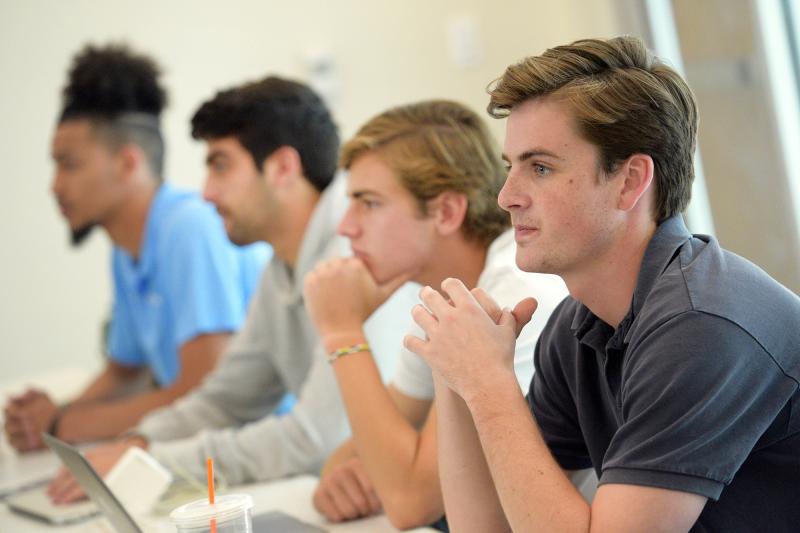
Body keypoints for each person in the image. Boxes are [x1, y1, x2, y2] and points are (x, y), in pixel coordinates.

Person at [406, 35, 800, 532]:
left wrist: (488, 385)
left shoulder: (702, 325)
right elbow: (488, 529)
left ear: (631, 181)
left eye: (541, 167)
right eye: (512, 168)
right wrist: (455, 372)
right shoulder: (579, 325)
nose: (506, 196)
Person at [47, 75, 414, 504]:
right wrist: (141, 444)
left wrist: (155, 464)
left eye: (220, 165)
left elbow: (316, 438)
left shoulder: (357, 254)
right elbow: (227, 399)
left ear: (282, 168)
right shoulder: (280, 267)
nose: (206, 192)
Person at [303, 100, 569, 529]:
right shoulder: (444, 298)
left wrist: (341, 332)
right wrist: (349, 477)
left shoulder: (508, 296)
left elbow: (410, 502)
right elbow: (352, 457)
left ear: (446, 212)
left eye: (368, 203)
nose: (346, 227)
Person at [3, 45, 267, 451]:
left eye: (69, 164)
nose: (55, 185)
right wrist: (48, 415)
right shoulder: (127, 250)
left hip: (260, 453)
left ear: (128, 164)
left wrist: (61, 423)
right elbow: (124, 374)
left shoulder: (189, 228)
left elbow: (201, 395)